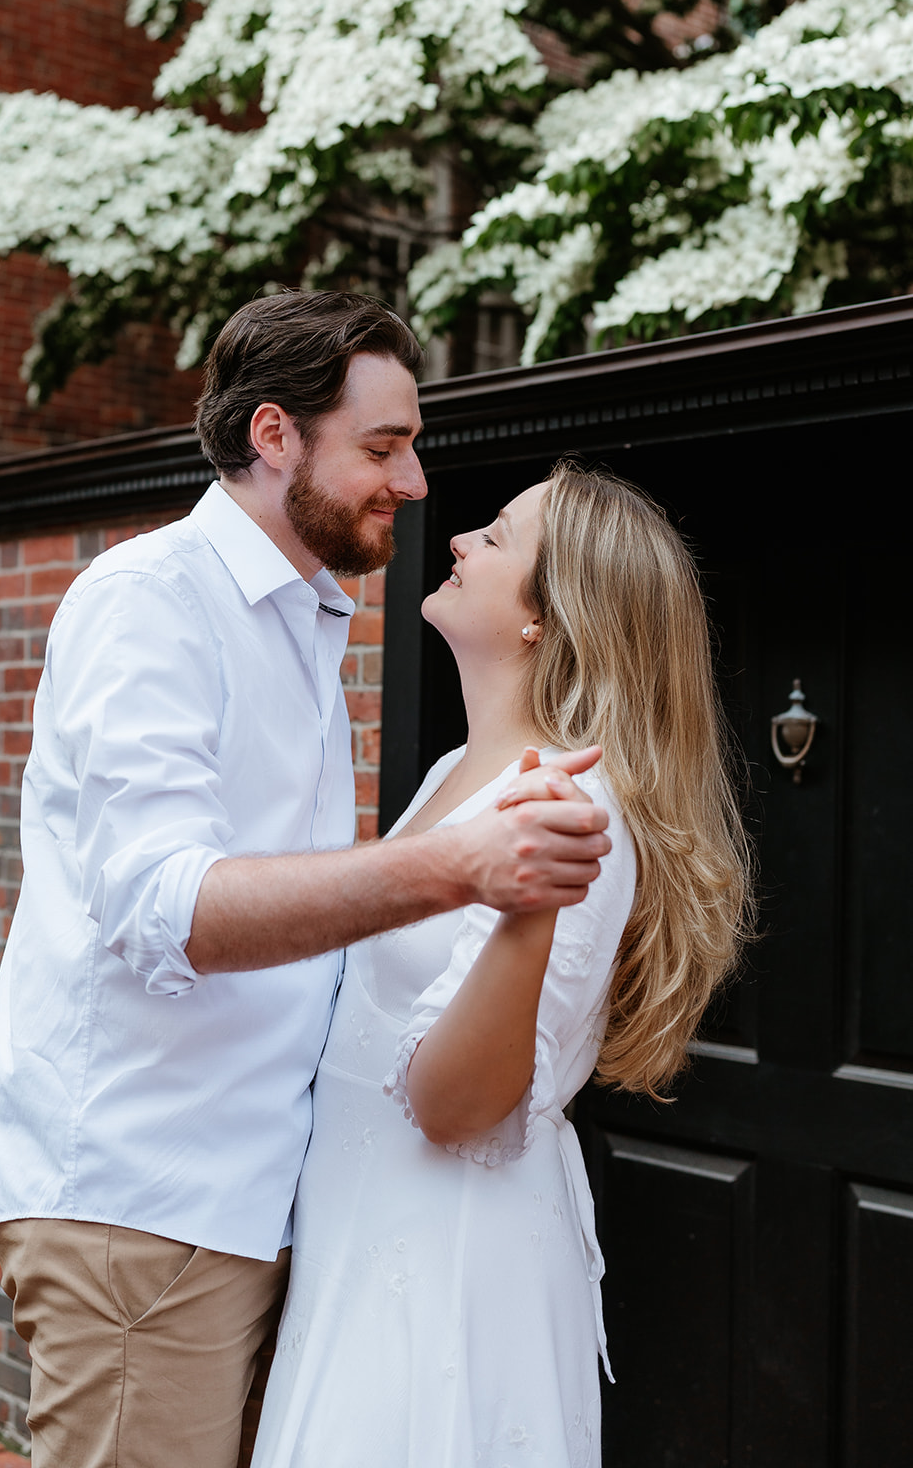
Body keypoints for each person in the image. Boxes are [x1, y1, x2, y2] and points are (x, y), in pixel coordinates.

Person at [0, 292, 612, 1468]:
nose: (414, 483)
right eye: (382, 447)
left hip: (258, 1206)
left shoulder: (304, 615)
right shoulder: (152, 603)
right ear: (274, 436)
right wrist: (452, 867)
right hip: (146, 1202)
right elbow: (170, 907)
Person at [251, 460, 753, 1468]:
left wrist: (525, 911)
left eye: (496, 533)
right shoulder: (450, 773)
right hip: (359, 1237)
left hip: (443, 1266)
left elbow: (455, 1106)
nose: (457, 539)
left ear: (545, 616)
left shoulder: (573, 811)